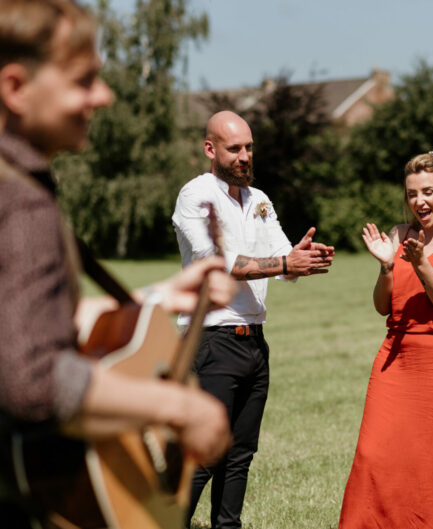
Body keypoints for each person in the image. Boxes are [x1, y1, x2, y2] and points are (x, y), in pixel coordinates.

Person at [0, 0, 237, 527]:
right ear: (16, 89)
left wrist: (159, 298)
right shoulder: (19, 202)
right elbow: (30, 378)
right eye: (84, 81)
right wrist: (181, 408)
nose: (103, 97)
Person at [172, 110, 335, 529]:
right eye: (234, 149)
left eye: (248, 148)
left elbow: (281, 261)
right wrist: (283, 260)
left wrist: (301, 260)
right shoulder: (195, 196)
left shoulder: (259, 200)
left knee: (240, 455)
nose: (244, 156)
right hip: (209, 341)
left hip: (253, 343)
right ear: (211, 150)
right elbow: (218, 262)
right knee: (203, 455)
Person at [338, 151, 433, 529]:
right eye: (412, 193)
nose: (419, 201)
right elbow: (382, 306)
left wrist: (421, 264)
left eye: (428, 191)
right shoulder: (399, 235)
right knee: (374, 456)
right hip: (397, 360)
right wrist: (387, 266)